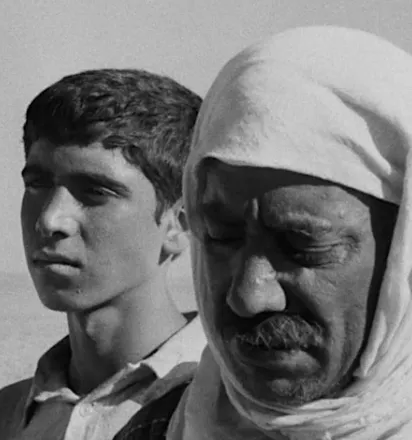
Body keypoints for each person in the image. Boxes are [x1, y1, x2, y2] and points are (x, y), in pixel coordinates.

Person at [118, 26, 412, 440]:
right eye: (221, 236)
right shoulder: (159, 430)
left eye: (303, 246)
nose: (249, 296)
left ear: (403, 253)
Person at [0, 68, 206, 440]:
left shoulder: (223, 407)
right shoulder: (2, 420)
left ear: (178, 224)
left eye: (95, 192)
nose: (50, 219)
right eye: (37, 185)